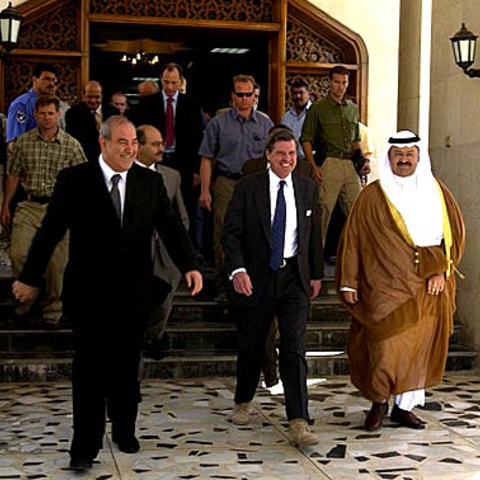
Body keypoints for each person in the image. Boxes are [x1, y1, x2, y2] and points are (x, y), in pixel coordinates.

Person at [12, 115, 202, 471]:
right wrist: (30, 276)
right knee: (88, 372)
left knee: (126, 368)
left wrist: (190, 265)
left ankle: (124, 429)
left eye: (134, 143)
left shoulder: (149, 182)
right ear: (103, 143)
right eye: (122, 143)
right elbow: (50, 230)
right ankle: (83, 447)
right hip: (89, 294)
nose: (129, 149)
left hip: (133, 294)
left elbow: (171, 226)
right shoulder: (76, 180)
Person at [337, 130, 465, 432]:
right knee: (383, 347)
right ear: (389, 158)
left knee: (417, 350)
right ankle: (379, 401)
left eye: (410, 154)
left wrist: (441, 272)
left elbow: (453, 238)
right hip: (382, 288)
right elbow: (353, 239)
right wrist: (349, 282)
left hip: (426, 287)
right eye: (398, 155)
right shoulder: (372, 196)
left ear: (419, 157)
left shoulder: (438, 193)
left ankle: (404, 408)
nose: (404, 159)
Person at [222, 128, 323, 447]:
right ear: (267, 154)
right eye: (280, 154)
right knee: (252, 344)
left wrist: (316, 274)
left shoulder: (307, 188)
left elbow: (313, 236)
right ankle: (242, 400)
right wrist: (237, 269)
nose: (287, 160)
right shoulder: (247, 188)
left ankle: (298, 420)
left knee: (294, 347)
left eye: (292, 154)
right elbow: (231, 234)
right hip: (256, 277)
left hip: (293, 277)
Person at [1, 95, 87, 327]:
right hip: (29, 205)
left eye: (51, 113)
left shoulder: (72, 145)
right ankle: (30, 290)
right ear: (35, 115)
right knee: (18, 253)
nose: (47, 118)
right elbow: (14, 174)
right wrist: (6, 205)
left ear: (58, 115)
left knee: (58, 263)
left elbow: (83, 182)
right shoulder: (24, 142)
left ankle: (54, 308)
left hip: (59, 208)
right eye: (43, 113)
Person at [199, 74, 274, 299]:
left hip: (256, 185)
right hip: (227, 182)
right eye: (239, 94)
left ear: (254, 95)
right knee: (223, 233)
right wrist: (204, 190)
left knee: (256, 233)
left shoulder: (265, 123)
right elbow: (206, 158)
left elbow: (274, 156)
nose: (243, 98)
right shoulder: (218, 123)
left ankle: (253, 285)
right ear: (232, 96)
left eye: (248, 94)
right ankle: (224, 287)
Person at [300, 65, 370, 244]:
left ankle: (360, 259)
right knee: (323, 211)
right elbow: (306, 139)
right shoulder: (318, 108)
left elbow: (355, 140)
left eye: (344, 83)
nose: (340, 86)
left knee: (358, 212)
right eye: (337, 82)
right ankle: (315, 260)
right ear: (329, 83)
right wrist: (313, 166)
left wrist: (362, 160)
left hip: (349, 164)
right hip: (329, 162)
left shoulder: (352, 108)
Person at [136, 124, 189, 358]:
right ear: (138, 147)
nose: (162, 148)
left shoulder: (171, 175)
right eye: (155, 144)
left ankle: (154, 338)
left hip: (166, 252)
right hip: (137, 251)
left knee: (164, 299)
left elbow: (181, 215)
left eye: (162, 143)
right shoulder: (125, 174)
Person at [136, 63, 203, 231]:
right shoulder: (147, 103)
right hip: (155, 159)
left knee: (185, 206)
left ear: (180, 81)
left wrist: (196, 169)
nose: (170, 87)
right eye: (167, 82)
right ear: (161, 80)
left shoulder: (192, 104)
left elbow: (197, 138)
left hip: (184, 163)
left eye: (174, 83)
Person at [6, 63, 58, 152]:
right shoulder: (22, 105)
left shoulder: (53, 104)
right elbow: (14, 144)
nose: (51, 84)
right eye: (47, 79)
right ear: (34, 79)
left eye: (53, 80)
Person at [65, 80, 118, 162]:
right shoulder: (73, 113)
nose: (93, 101)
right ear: (84, 96)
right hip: (83, 159)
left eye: (97, 97)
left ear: (102, 96)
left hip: (108, 159)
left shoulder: (113, 112)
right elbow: (72, 140)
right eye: (89, 97)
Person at [281, 79, 312, 159]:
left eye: (301, 93)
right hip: (289, 160)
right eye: (295, 93)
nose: (298, 96)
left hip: (310, 160)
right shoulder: (286, 117)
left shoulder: (315, 114)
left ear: (308, 93)